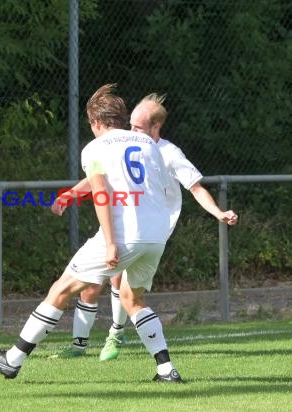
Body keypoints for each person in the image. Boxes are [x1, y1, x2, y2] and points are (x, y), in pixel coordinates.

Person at [0, 83, 183, 382]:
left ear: (97, 122)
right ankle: (166, 369)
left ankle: (12, 359)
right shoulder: (147, 144)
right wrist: (72, 193)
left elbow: (102, 191)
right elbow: (128, 180)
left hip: (123, 235)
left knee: (61, 289)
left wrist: (111, 243)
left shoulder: (95, 147)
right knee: (132, 298)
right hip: (155, 235)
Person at [53, 93, 239, 361]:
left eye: (138, 127)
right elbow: (98, 178)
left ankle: (116, 334)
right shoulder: (127, 143)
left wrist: (218, 212)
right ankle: (83, 345)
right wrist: (70, 195)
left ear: (155, 128)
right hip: (125, 223)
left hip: (150, 230)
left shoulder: (168, 153)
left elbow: (196, 187)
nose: (132, 131)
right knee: (100, 284)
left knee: (119, 285)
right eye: (130, 125)